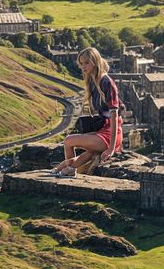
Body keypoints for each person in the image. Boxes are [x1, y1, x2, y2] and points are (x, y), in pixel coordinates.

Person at [52, 47, 123, 178]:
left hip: (110, 134)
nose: (83, 67)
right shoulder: (93, 81)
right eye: (81, 64)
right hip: (104, 130)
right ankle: (69, 168)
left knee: (68, 141)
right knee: (86, 152)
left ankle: (69, 171)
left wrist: (111, 148)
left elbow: (114, 116)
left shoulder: (106, 82)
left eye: (86, 63)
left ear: (95, 61)